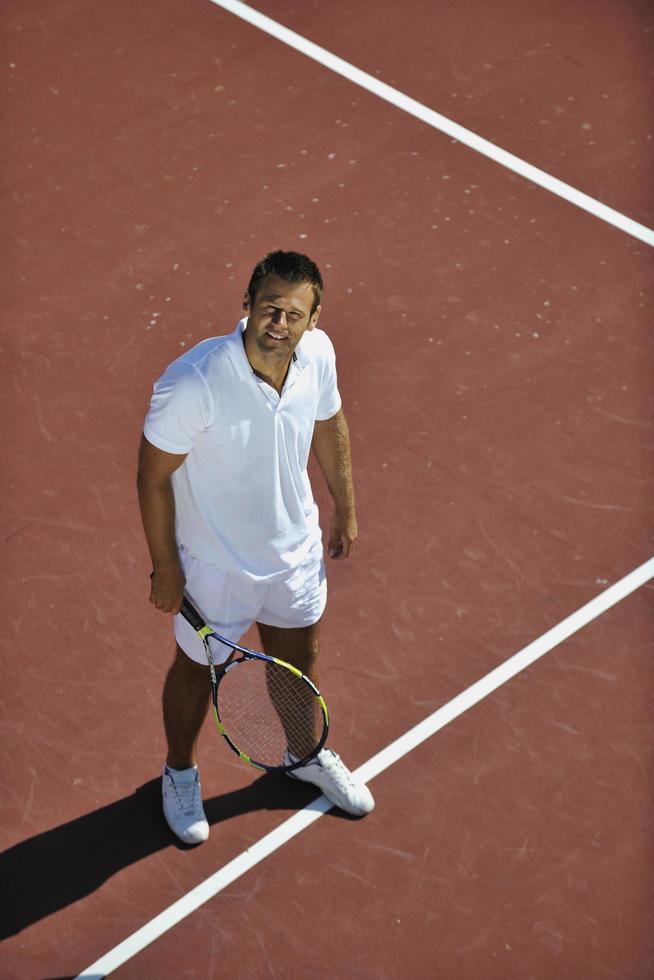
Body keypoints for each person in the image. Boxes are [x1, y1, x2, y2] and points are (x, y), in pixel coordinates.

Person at [137, 250, 375, 844]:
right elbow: (152, 477)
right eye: (270, 307)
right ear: (246, 305)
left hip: (293, 559)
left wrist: (345, 506)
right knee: (196, 674)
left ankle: (304, 753)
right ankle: (180, 772)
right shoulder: (194, 381)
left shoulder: (318, 356)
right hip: (215, 570)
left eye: (295, 313)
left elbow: (329, 423)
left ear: (314, 320)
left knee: (298, 666)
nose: (280, 322)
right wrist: (167, 569)